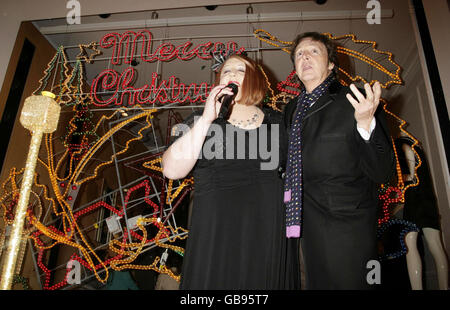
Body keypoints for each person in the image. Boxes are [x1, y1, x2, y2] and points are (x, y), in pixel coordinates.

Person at [162, 54, 300, 289]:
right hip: (215, 233)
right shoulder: (200, 121)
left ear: (255, 80)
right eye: (226, 71)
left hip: (266, 232)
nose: (232, 74)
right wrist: (207, 118)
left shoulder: (280, 122)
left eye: (240, 70)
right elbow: (172, 170)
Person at [283, 32, 394, 289]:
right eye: (299, 54)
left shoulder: (355, 101)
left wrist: (367, 123)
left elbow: (383, 172)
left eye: (313, 51)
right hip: (299, 226)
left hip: (346, 226)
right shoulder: (290, 110)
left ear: (331, 64)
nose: (305, 57)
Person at [395, 135, 448, 290]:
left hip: (414, 200)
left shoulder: (401, 145)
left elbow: (410, 175)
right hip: (427, 200)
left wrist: (404, 179)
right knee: (436, 246)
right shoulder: (417, 147)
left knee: (410, 245)